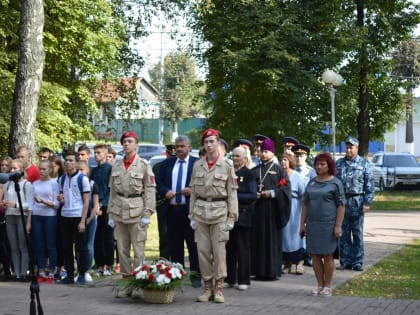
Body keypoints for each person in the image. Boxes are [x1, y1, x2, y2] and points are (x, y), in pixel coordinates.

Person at [189, 128, 238, 303]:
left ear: (218, 143)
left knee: (219, 253)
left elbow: (232, 193)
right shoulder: (197, 165)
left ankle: (219, 287)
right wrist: (192, 215)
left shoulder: (227, 165)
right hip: (201, 211)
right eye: (206, 142)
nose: (209, 145)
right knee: (202, 251)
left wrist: (232, 217)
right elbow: (193, 192)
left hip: (219, 211)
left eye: (212, 141)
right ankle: (207, 287)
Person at [108, 131, 156, 298]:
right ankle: (127, 283)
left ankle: (138, 284)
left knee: (139, 250)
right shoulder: (116, 165)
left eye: (130, 141)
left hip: (137, 210)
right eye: (124, 142)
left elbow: (150, 191)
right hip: (119, 210)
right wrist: (110, 214)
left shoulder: (143, 164)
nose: (126, 144)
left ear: (136, 145)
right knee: (122, 250)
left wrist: (147, 213)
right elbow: (112, 191)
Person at [156, 136, 201, 288]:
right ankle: (177, 275)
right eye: (177, 146)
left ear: (189, 147)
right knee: (174, 245)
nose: (179, 149)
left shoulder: (197, 163)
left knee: (193, 245)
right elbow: (159, 182)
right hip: (172, 210)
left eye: (182, 146)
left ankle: (196, 275)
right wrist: (165, 191)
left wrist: (192, 190)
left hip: (190, 211)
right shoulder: (167, 163)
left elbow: (204, 183)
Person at [300, 152, 345, 296]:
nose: (319, 167)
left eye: (322, 164)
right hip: (313, 225)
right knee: (314, 255)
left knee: (328, 255)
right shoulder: (312, 182)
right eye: (317, 164)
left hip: (328, 225)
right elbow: (305, 204)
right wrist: (302, 224)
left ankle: (328, 286)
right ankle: (319, 285)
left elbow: (341, 205)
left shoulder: (335, 183)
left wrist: (338, 225)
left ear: (329, 165)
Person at [251, 138, 291, 281]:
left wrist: (272, 194)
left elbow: (285, 189)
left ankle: (272, 271)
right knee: (257, 239)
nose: (263, 154)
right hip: (258, 209)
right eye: (262, 151)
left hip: (273, 210)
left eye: (266, 151)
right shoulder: (255, 170)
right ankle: (258, 271)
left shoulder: (279, 170)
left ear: (272, 152)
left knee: (271, 240)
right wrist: (253, 194)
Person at [335, 136, 375, 272]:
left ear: (357, 148)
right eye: (347, 147)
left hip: (357, 202)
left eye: (351, 147)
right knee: (343, 232)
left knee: (357, 233)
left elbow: (369, 185)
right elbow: (334, 184)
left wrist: (367, 202)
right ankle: (345, 261)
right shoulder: (339, 164)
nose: (348, 149)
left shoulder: (364, 164)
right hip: (342, 203)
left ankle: (357, 261)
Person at [225, 147, 257, 291]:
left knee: (243, 248)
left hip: (243, 215)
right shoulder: (228, 172)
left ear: (244, 158)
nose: (235, 159)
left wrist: (233, 197)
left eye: (238, 156)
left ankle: (243, 280)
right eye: (233, 156)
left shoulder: (249, 174)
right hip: (227, 216)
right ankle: (230, 278)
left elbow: (252, 195)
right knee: (228, 248)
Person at [57, 151, 91, 285]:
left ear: (77, 163)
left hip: (78, 216)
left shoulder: (83, 179)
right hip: (65, 216)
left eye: (71, 160)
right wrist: (60, 199)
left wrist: (83, 221)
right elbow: (62, 196)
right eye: (66, 160)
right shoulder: (62, 179)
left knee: (81, 247)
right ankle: (69, 275)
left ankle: (82, 274)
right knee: (66, 247)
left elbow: (86, 201)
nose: (67, 163)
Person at [26, 159, 60, 284]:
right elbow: (31, 203)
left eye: (44, 169)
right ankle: (41, 271)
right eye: (40, 168)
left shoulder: (54, 183)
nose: (41, 171)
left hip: (50, 216)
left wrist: (44, 201)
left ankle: (51, 272)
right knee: (39, 245)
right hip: (36, 216)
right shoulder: (35, 184)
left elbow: (56, 205)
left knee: (50, 244)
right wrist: (29, 221)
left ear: (50, 170)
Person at [2, 159, 31, 281]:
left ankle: (23, 272)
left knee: (22, 246)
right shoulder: (7, 184)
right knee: (13, 246)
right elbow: (6, 198)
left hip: (21, 216)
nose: (12, 170)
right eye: (11, 168)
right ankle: (17, 273)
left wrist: (15, 205)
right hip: (9, 216)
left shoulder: (26, 184)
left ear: (21, 170)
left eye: (15, 168)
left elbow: (29, 205)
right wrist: (5, 204)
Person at [280, 153, 306, 275]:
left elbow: (303, 195)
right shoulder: (280, 176)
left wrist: (303, 211)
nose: (283, 162)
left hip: (295, 207)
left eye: (285, 160)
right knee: (285, 235)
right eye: (281, 160)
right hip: (283, 207)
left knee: (296, 234)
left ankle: (300, 262)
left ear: (290, 161)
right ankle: (287, 262)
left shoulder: (297, 176)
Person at [90, 144, 114, 277]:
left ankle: (109, 265)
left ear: (105, 154)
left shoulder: (110, 169)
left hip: (107, 207)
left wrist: (102, 204)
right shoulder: (93, 170)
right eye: (95, 152)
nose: (96, 155)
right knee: (97, 237)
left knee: (108, 237)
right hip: (96, 207)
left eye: (99, 152)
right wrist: (95, 205)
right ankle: (100, 264)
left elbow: (111, 189)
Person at [292, 143, 316, 267]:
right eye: (296, 155)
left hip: (308, 204)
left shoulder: (311, 172)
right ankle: (296, 255)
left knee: (308, 230)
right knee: (295, 229)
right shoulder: (291, 171)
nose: (299, 158)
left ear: (306, 156)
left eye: (301, 155)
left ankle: (308, 255)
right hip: (295, 205)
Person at [153, 144, 176, 259]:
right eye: (170, 154)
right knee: (164, 234)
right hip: (163, 203)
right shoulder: (158, 167)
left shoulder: (182, 165)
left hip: (180, 204)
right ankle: (164, 259)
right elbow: (154, 185)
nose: (172, 157)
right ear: (166, 153)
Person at [77, 160, 99, 283]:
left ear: (87, 171)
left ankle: (87, 270)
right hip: (78, 218)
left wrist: (88, 219)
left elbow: (95, 205)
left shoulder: (92, 184)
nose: (80, 172)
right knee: (79, 246)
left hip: (90, 218)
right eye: (78, 170)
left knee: (88, 244)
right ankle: (80, 270)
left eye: (82, 170)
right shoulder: (74, 183)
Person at [0, 157, 13, 281]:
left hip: (5, 215)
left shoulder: (10, 182)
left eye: (6, 165)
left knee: (5, 245)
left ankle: (8, 270)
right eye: (2, 165)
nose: (3, 167)